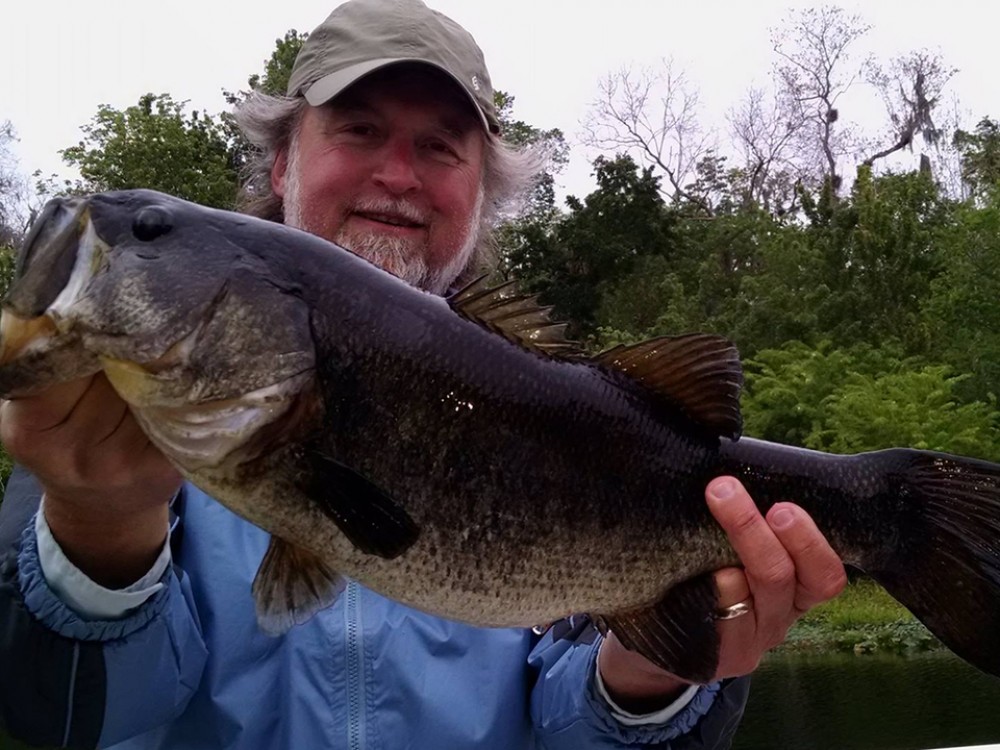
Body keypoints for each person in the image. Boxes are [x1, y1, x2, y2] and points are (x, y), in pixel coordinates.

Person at [0, 0, 847, 747]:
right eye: (359, 129)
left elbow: (574, 723)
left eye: (440, 147)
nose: (397, 175)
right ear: (283, 164)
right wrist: (100, 525)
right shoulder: (104, 414)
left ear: (483, 190)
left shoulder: (561, 403)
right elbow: (64, 718)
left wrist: (654, 673)